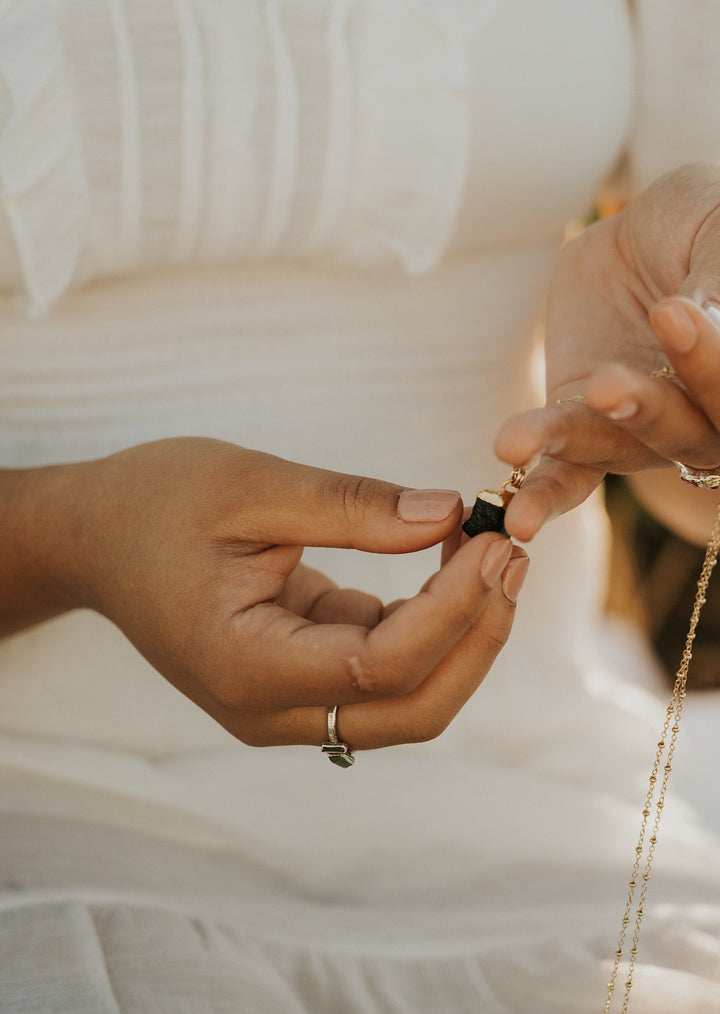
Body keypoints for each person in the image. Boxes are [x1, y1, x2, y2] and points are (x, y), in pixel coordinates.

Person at [3, 2, 720, 1012]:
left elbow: (684, 470)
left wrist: (691, 382)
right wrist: (60, 535)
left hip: (540, 817)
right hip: (36, 830)